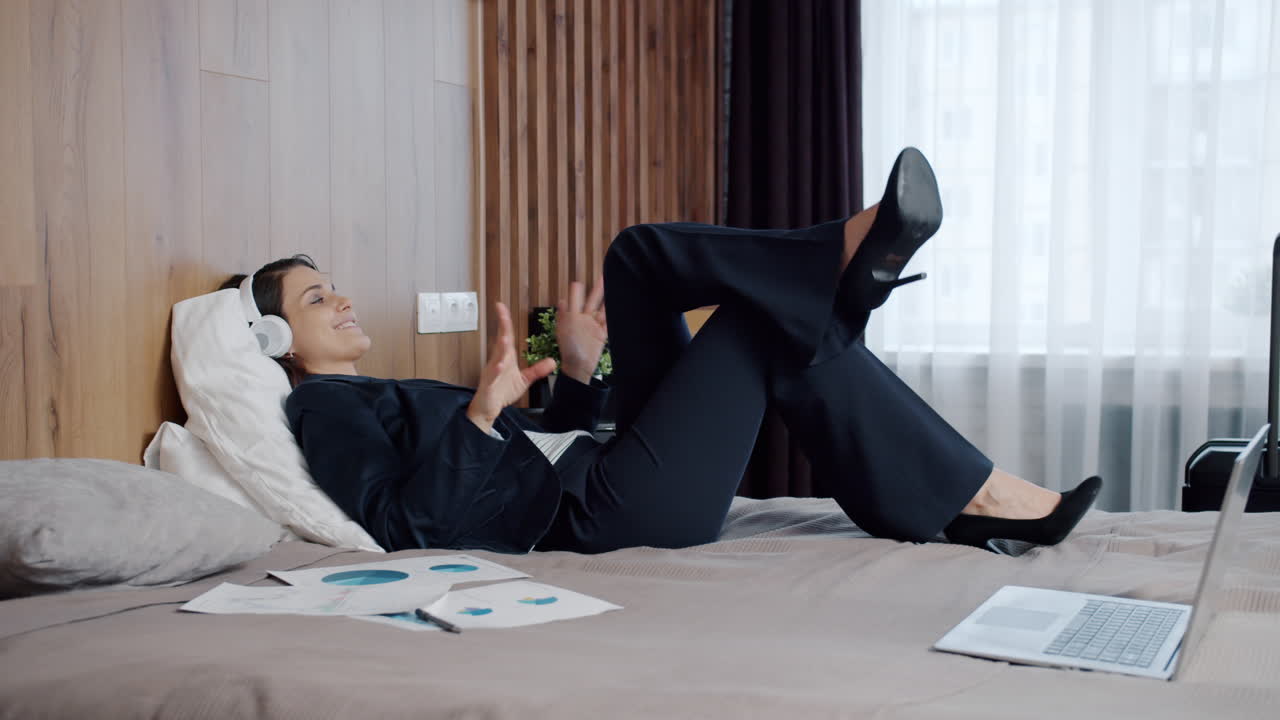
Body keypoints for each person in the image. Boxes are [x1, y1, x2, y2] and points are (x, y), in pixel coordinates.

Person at [224, 148, 1101, 555]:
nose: (339, 298)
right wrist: (484, 415)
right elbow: (403, 526)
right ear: (272, 340)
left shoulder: (381, 388)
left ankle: (840, 273)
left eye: (331, 284)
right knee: (762, 324)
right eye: (313, 297)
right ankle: (849, 278)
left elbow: (540, 449)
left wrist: (572, 376)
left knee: (637, 254)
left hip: (602, 467)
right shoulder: (321, 405)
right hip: (606, 514)